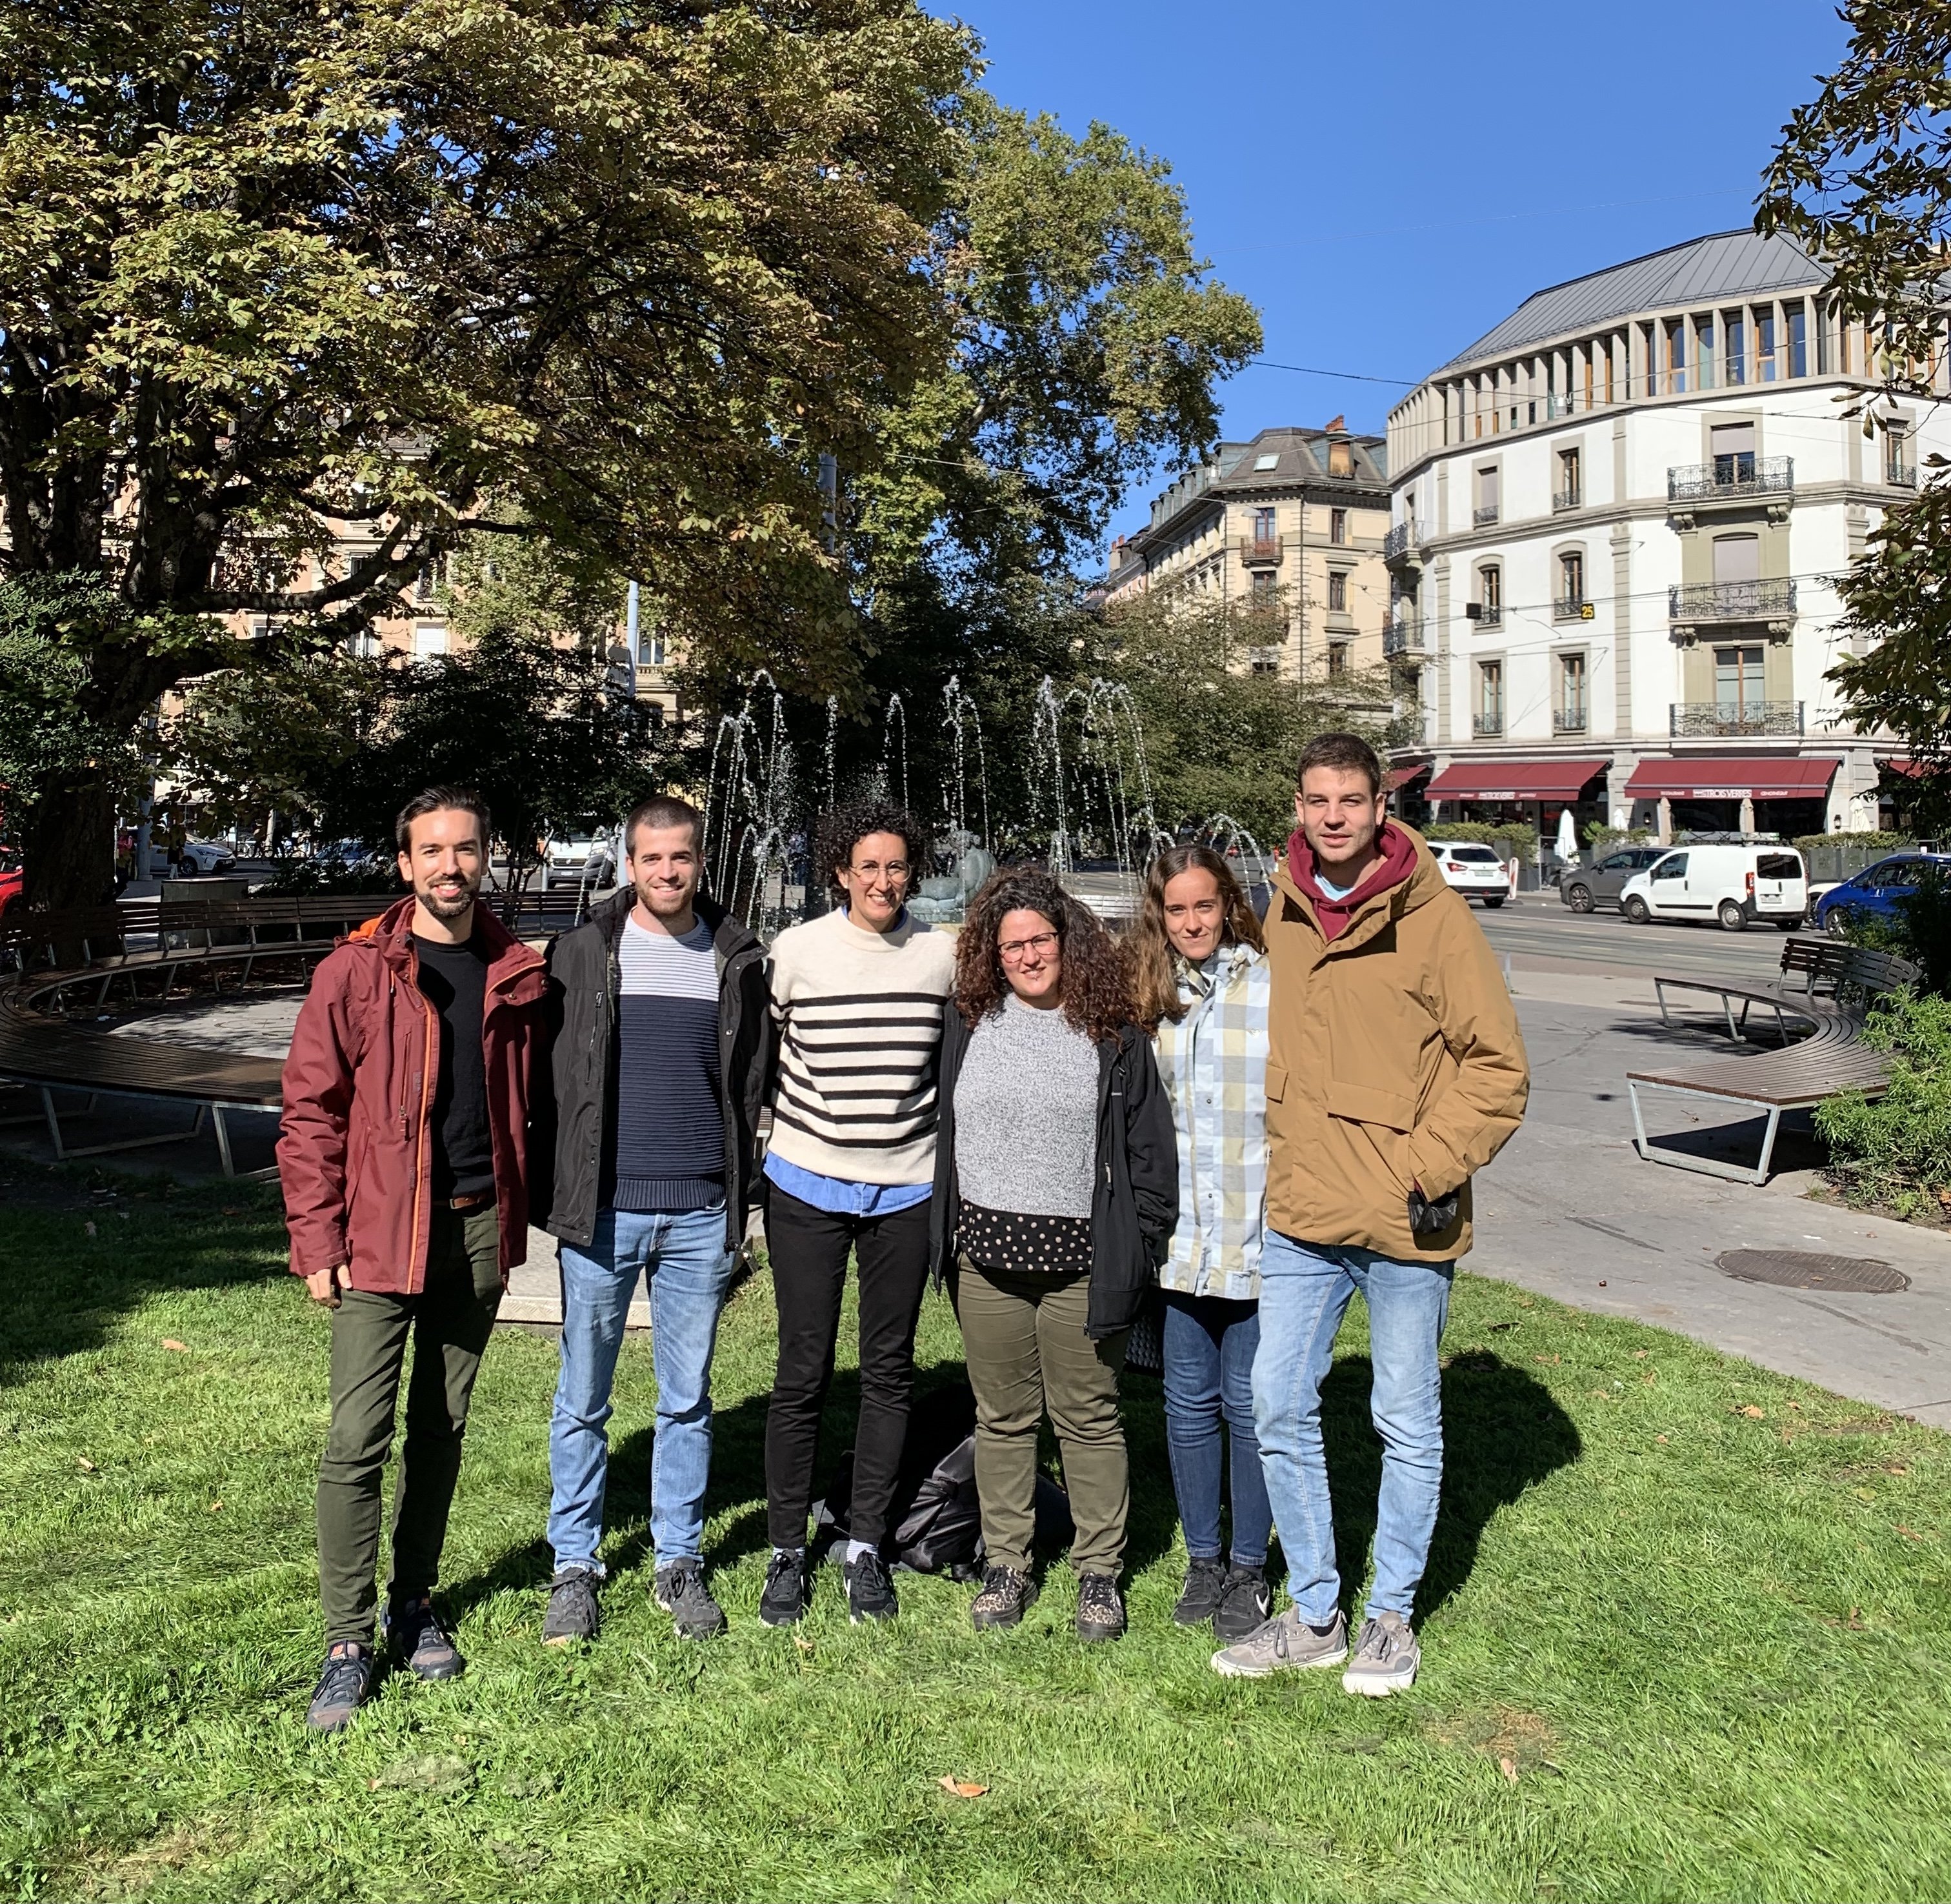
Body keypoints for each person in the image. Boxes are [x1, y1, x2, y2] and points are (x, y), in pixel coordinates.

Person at [1211, 733, 1529, 1694]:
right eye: (1318, 799)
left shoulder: (1436, 919)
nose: (1335, 815)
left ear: (1382, 807)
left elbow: (1498, 1068)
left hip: (1404, 1219)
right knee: (1276, 1400)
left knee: (1404, 1416)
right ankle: (1315, 1609)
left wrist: (1422, 1168)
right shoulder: (1287, 907)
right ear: (1299, 807)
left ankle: (1392, 1615)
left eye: (1352, 798)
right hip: (1304, 1210)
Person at [280, 788, 548, 1733]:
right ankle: (348, 1636)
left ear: (488, 856)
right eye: (431, 849)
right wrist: (316, 1237)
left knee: (441, 1424)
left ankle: (414, 1597)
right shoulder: (357, 971)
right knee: (357, 1439)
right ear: (405, 863)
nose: (449, 865)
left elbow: (536, 1103)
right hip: (380, 1234)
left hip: (473, 1229)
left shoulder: (517, 971)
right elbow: (310, 1111)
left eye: (466, 848)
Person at [535, 794, 771, 1645]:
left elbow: (753, 1080)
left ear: (700, 861)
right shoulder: (584, 950)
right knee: (583, 1396)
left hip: (700, 1211)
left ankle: (679, 1556)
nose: (668, 871)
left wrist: (741, 1193)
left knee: (687, 1397)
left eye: (682, 858)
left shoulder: (736, 955)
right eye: (652, 858)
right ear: (629, 863)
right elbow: (549, 1078)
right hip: (602, 1211)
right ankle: (575, 1562)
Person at [930, 868, 1176, 1643]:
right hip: (987, 1259)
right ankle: (1009, 1560)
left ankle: (1098, 1572)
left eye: (1041, 939)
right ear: (990, 956)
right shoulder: (968, 1022)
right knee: (1003, 1418)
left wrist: (1142, 1244)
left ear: (1067, 940)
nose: (1029, 955)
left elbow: (1148, 1153)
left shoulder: (1113, 1030)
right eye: (1013, 946)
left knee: (1089, 1417)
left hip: (1082, 1262)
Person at [759, 802, 955, 1627]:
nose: (882, 880)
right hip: (807, 1180)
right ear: (839, 871)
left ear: (914, 872)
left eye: (896, 866)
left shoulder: (939, 955)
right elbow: (761, 1055)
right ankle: (784, 1548)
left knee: (888, 1370)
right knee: (802, 1370)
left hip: (906, 1186)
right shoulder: (796, 952)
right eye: (866, 866)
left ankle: (867, 1542)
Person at [1129, 845, 1276, 1643]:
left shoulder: (1271, 987)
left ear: (1229, 904)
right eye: (1177, 909)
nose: (1191, 922)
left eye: (1204, 906)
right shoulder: (1152, 996)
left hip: (1257, 1229)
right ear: (1162, 913)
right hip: (1181, 1237)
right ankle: (1204, 1558)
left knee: (1249, 1404)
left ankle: (1249, 1566)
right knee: (1187, 1403)